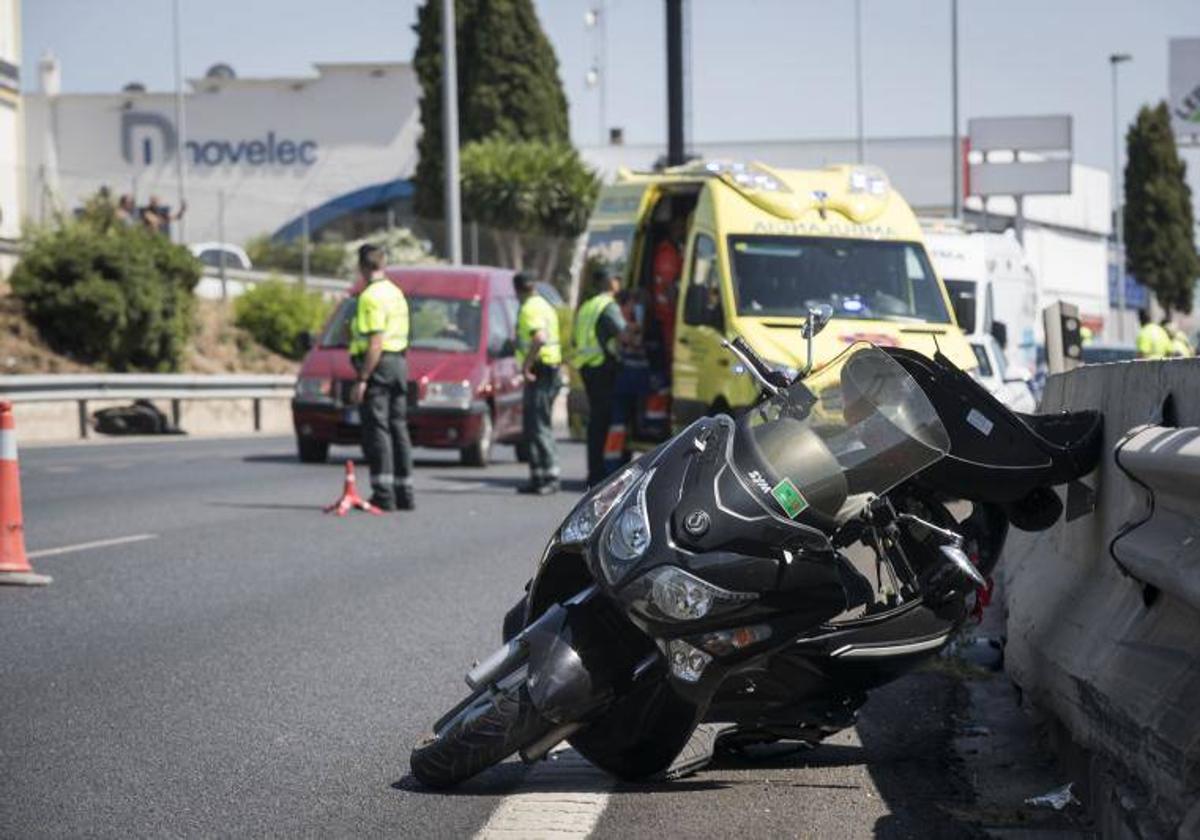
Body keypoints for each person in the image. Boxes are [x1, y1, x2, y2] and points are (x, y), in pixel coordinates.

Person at [349, 243, 415, 511]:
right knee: (398, 427)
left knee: (378, 429)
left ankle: (383, 493)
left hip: (380, 364)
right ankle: (405, 492)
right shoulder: (396, 293)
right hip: (399, 362)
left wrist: (363, 378)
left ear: (363, 266)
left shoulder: (370, 296)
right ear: (383, 265)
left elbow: (375, 341)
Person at [572, 268, 628, 486]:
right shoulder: (607, 306)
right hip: (603, 369)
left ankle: (594, 472)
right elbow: (624, 335)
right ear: (610, 282)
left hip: (587, 368)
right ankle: (602, 474)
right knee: (604, 422)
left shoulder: (587, 306)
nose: (619, 282)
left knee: (596, 423)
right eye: (617, 277)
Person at [513, 272, 562, 495]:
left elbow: (539, 338)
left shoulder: (530, 308)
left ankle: (550, 476)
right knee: (534, 424)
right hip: (548, 369)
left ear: (518, 289)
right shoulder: (544, 304)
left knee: (539, 425)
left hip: (540, 370)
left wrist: (526, 366)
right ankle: (539, 476)